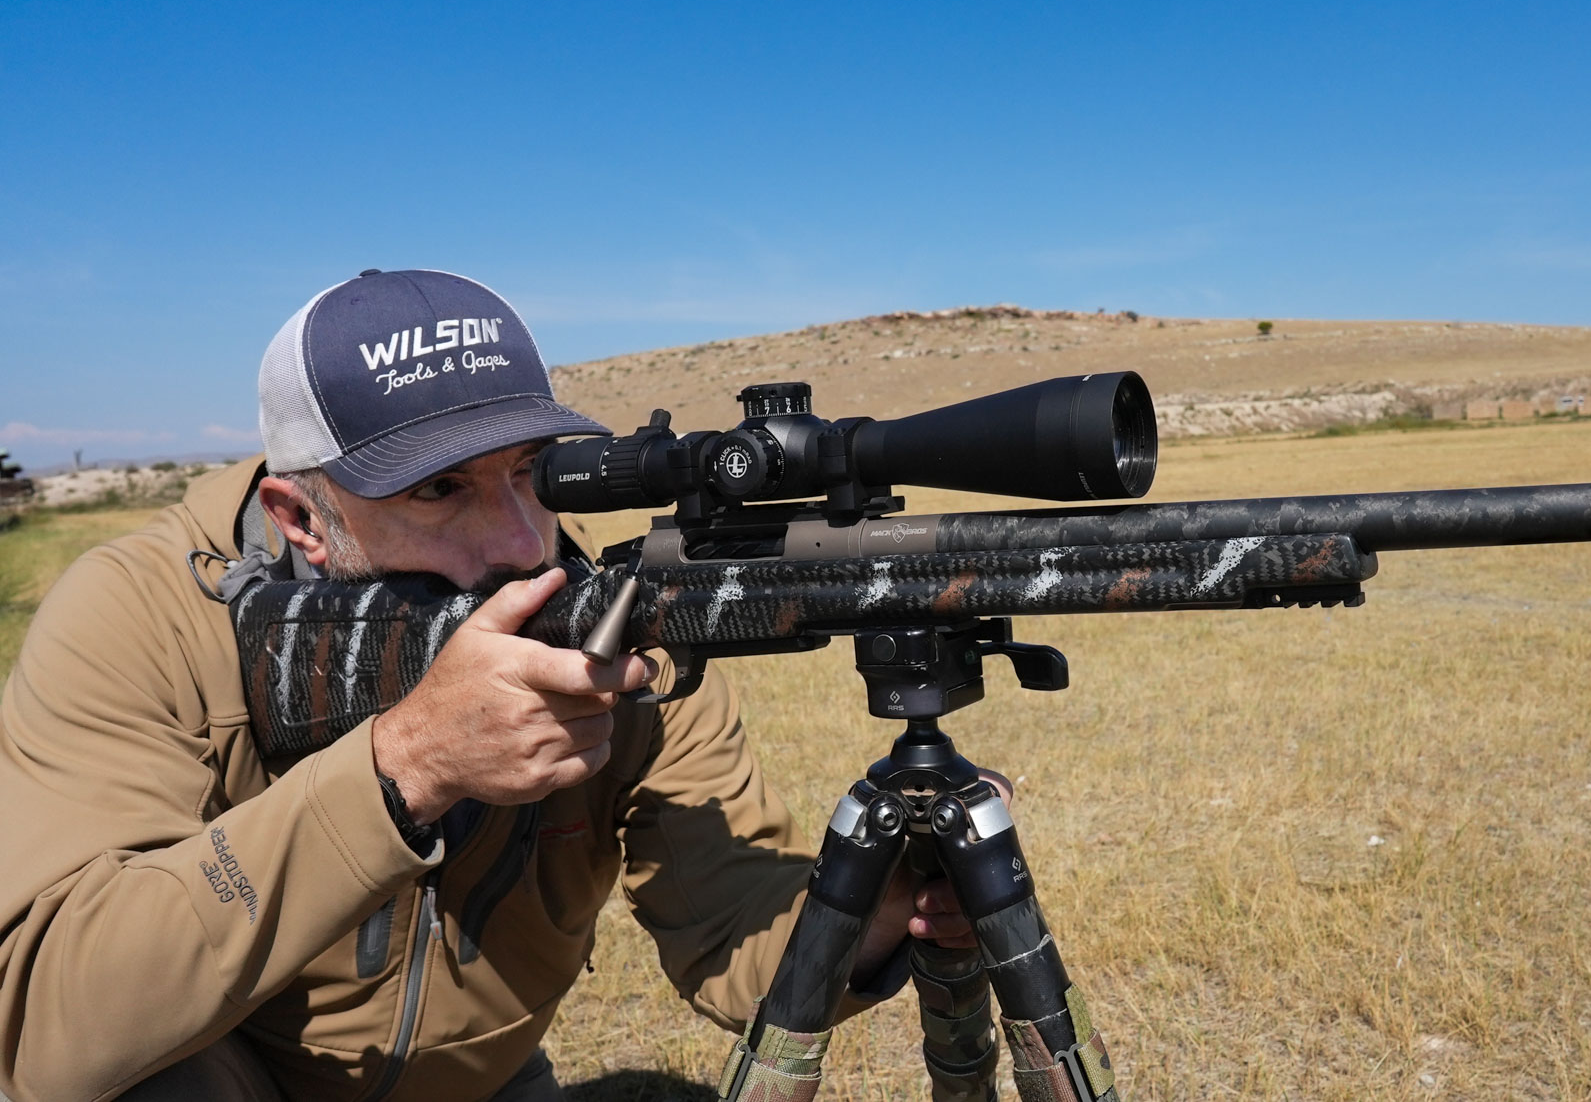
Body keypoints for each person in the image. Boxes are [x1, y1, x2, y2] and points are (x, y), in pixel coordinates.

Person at [0, 270, 989, 1101]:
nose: (522, 541)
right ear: (299, 516)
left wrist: (877, 908)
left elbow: (733, 941)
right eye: (439, 490)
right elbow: (43, 1024)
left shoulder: (612, 627)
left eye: (530, 471)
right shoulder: (147, 615)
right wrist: (400, 772)